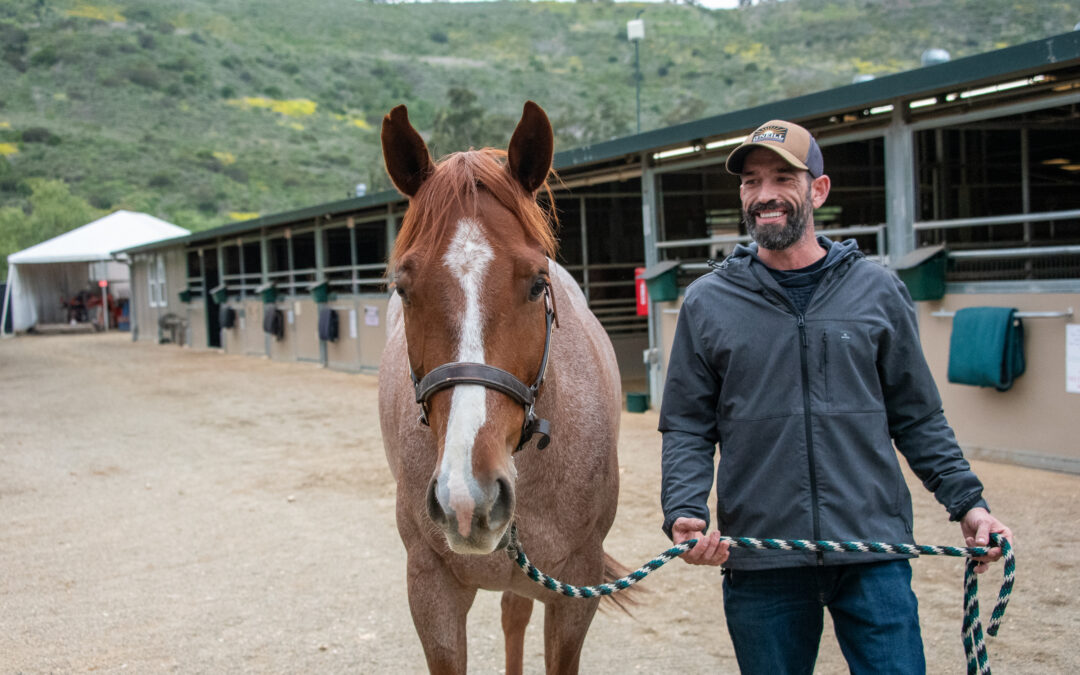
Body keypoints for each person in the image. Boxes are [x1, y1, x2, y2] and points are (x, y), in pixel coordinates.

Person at [658, 119, 1013, 674]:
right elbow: (687, 425)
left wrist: (969, 504)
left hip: (872, 550)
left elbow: (917, 416)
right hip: (763, 556)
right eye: (751, 182)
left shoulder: (878, 290)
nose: (765, 194)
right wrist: (684, 510)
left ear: (818, 190)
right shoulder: (708, 302)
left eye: (783, 178)